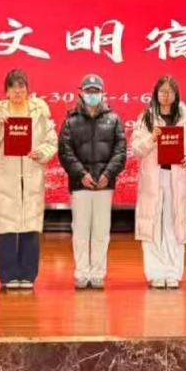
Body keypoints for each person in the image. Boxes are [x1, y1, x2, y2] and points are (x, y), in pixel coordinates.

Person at [0, 69, 58, 291]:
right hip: (5, 179)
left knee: (30, 226)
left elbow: (52, 141)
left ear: (28, 90)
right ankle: (7, 275)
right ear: (6, 91)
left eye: (21, 87)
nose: (17, 91)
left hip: (31, 177)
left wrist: (41, 152)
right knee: (6, 228)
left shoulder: (39, 112)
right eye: (13, 87)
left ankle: (28, 274)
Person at [58, 74, 127, 290]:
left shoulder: (113, 120)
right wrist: (81, 174)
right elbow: (65, 152)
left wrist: (108, 174)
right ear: (81, 93)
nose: (92, 95)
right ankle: (81, 273)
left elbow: (120, 151)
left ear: (102, 93)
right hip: (80, 186)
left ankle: (97, 273)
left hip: (104, 186)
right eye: (88, 91)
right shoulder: (71, 120)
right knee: (80, 231)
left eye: (96, 91)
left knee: (101, 232)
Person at [132, 75, 186, 290]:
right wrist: (152, 138)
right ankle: (155, 273)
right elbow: (136, 148)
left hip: (176, 177)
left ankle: (173, 272)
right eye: (162, 91)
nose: (166, 95)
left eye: (170, 91)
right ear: (156, 93)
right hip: (154, 177)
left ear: (176, 94)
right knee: (153, 224)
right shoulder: (147, 117)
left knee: (174, 223)